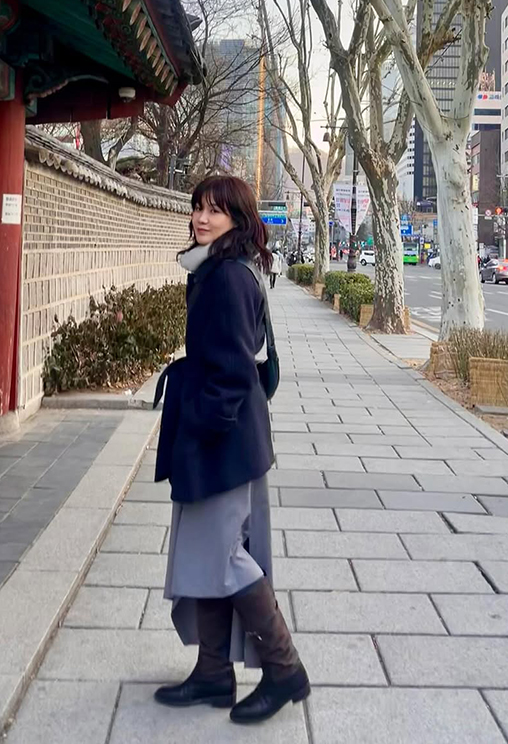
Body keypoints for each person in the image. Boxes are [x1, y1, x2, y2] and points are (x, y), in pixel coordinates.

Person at [153, 175, 310, 724]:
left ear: (238, 221)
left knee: (225, 553)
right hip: (230, 435)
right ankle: (214, 672)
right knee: (209, 550)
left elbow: (232, 370)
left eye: (215, 211)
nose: (201, 218)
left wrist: (198, 426)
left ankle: (285, 668)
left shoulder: (224, 278)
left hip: (221, 439)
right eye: (198, 208)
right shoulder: (223, 268)